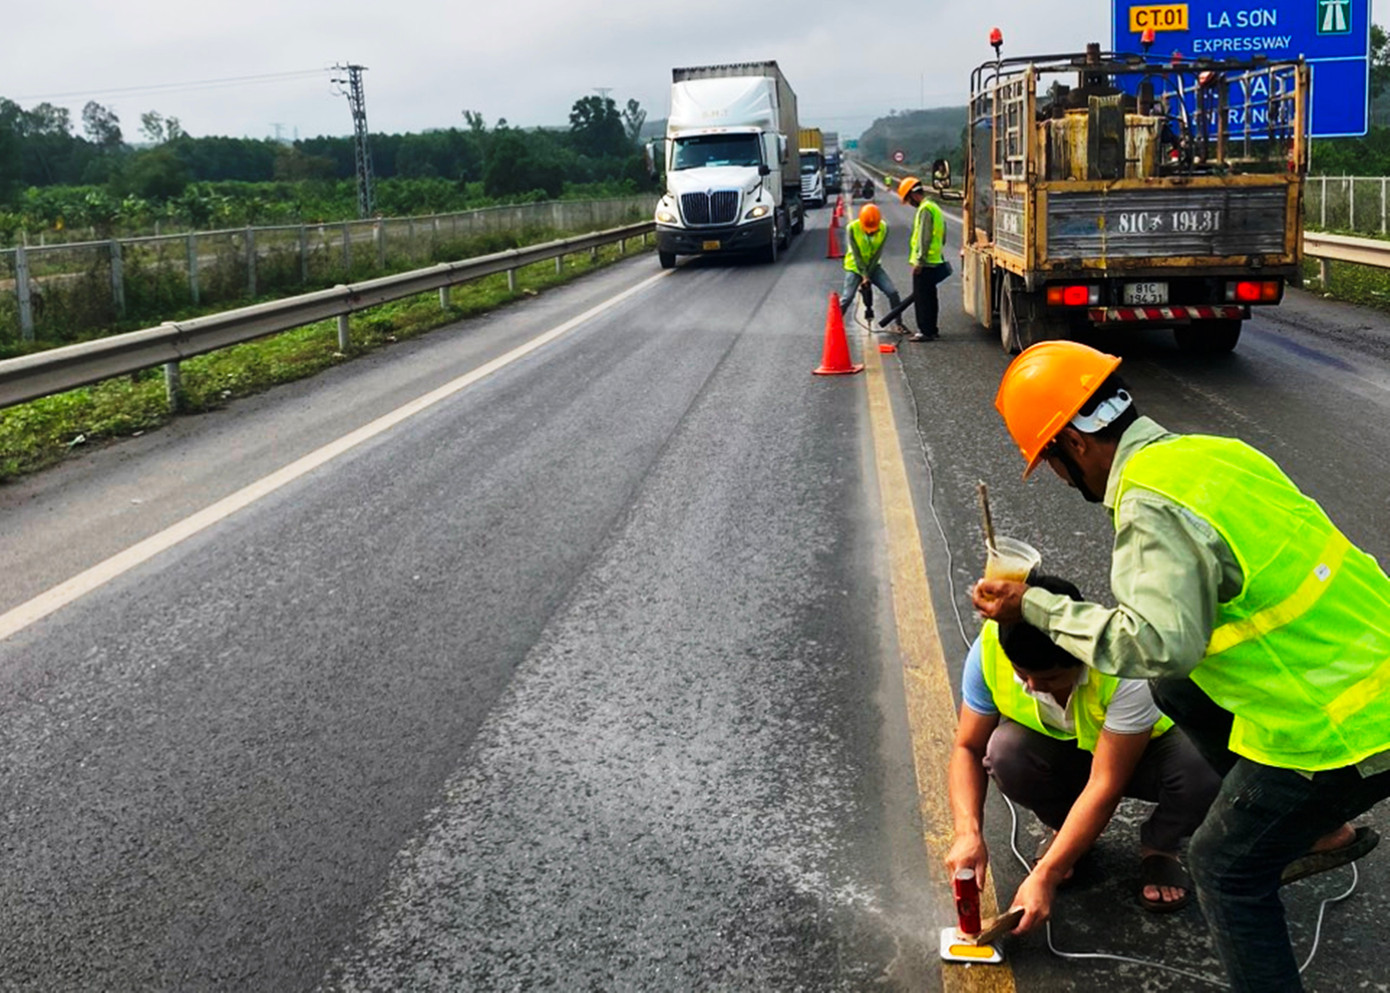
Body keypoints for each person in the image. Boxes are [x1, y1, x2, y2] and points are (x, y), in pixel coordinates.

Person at [972, 340, 1389, 993]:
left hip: (1346, 723)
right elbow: (1182, 653)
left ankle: (1312, 816)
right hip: (1368, 667)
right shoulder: (1214, 454)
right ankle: (1321, 831)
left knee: (1223, 867)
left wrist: (1037, 606)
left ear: (1074, 447)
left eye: (1049, 462)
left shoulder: (1147, 504)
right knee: (1175, 688)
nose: (1058, 476)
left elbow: (1156, 643)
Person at [949, 573, 1221, 929]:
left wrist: (1046, 875)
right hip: (1066, 751)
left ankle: (1160, 846)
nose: (1032, 687)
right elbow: (968, 747)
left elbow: (1106, 784)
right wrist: (967, 832)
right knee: (1005, 751)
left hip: (1144, 754)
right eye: (1023, 674)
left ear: (1080, 657)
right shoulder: (990, 649)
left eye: (1048, 680)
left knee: (1205, 766)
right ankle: (1066, 831)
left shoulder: (1123, 664)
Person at [897, 176, 950, 343]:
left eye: (908, 199)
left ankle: (925, 331)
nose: (910, 203)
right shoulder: (934, 207)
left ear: (913, 195)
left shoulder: (925, 209)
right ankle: (932, 329)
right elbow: (943, 235)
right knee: (930, 297)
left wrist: (919, 261)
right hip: (934, 260)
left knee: (922, 299)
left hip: (925, 262)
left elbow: (924, 237)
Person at [839, 204, 906, 331]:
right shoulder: (852, 228)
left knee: (892, 292)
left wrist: (868, 275)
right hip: (855, 267)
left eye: (873, 229)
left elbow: (877, 254)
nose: (871, 232)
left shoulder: (884, 228)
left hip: (874, 267)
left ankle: (899, 324)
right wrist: (864, 276)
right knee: (847, 298)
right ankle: (833, 324)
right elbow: (856, 254)